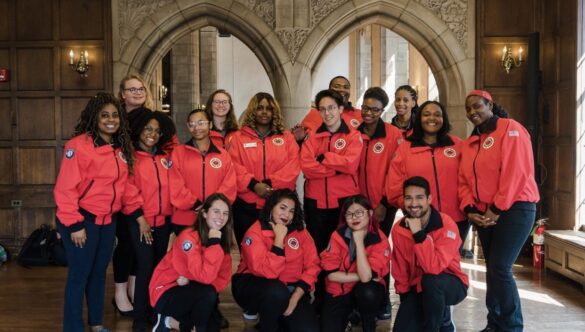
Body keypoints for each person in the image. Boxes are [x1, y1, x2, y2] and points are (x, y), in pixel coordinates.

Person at [54, 93, 143, 332]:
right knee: (79, 275)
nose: (111, 120)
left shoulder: (121, 148)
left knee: (99, 274)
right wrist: (74, 225)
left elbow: (125, 188)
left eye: (115, 115)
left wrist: (139, 214)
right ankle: (72, 327)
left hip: (108, 221)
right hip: (82, 220)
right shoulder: (78, 146)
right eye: (104, 115)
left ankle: (96, 324)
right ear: (95, 117)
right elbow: (65, 189)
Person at [459, 90, 539, 332]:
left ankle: (512, 326)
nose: (473, 112)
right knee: (492, 270)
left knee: (500, 268)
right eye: (468, 109)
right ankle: (494, 324)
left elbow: (516, 172)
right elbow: (464, 179)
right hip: (485, 213)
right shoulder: (471, 142)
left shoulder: (510, 128)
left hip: (515, 209)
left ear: (489, 104)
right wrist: (470, 208)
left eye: (477, 106)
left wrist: (496, 208)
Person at [114, 74, 178, 315]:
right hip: (122, 193)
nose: (137, 92)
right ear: (122, 93)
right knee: (126, 246)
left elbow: (170, 146)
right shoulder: (115, 118)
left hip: (150, 199)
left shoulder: (155, 119)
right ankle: (120, 293)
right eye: (131, 89)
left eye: (140, 88)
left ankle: (135, 292)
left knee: (143, 255)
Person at [231, 189, 320, 332]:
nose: (287, 214)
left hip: (291, 290)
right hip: (256, 287)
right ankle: (266, 321)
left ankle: (277, 316)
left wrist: (295, 298)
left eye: (291, 211)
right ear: (271, 207)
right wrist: (279, 239)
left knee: (308, 329)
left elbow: (313, 266)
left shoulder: (301, 233)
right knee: (276, 294)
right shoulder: (254, 232)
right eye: (282, 208)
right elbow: (267, 272)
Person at [392, 176, 468, 332]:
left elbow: (433, 268)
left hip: (451, 284)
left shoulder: (447, 224)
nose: (413, 204)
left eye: (419, 198)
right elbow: (400, 268)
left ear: (429, 199)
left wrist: (418, 234)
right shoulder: (398, 229)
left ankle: (442, 323)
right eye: (408, 198)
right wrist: (406, 300)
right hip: (418, 287)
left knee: (431, 281)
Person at [149, 193, 233, 332]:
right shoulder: (188, 237)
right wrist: (213, 243)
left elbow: (222, 278)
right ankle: (168, 317)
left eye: (225, 213)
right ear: (204, 213)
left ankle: (169, 321)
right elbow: (204, 276)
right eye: (216, 211)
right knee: (207, 295)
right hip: (166, 291)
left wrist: (192, 282)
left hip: (195, 290)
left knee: (212, 325)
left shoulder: (222, 241)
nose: (221, 217)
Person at [386, 101, 467, 242]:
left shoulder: (458, 145)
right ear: (419, 119)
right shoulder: (405, 148)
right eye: (426, 114)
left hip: (457, 218)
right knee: (422, 260)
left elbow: (468, 179)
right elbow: (394, 185)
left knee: (450, 261)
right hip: (420, 218)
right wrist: (410, 209)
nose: (432, 118)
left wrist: (467, 206)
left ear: (444, 119)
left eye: (437, 114)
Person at [228, 92, 301, 246]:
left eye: (269, 109)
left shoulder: (286, 138)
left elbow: (293, 167)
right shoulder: (238, 138)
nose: (264, 112)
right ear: (253, 111)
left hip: (279, 203)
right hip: (247, 205)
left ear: (274, 112)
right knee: (249, 250)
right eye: (260, 108)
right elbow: (233, 166)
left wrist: (268, 184)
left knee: (279, 248)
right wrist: (254, 185)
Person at [124, 112, 174, 332]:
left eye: (156, 130)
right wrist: (141, 219)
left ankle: (158, 313)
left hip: (165, 222)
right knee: (145, 268)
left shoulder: (165, 159)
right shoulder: (131, 157)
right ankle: (140, 318)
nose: (152, 134)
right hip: (140, 222)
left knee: (161, 268)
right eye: (147, 129)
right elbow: (127, 190)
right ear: (138, 131)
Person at [356, 86, 402, 320]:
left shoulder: (393, 135)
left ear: (383, 110)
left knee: (379, 252)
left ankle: (382, 300)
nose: (368, 113)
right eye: (365, 107)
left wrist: (384, 203)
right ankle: (360, 300)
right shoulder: (353, 132)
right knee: (356, 250)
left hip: (382, 204)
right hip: (356, 206)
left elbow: (396, 172)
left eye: (374, 109)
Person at [320, 195, 391, 332]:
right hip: (339, 291)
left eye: (359, 212)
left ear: (370, 214)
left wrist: (358, 242)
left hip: (366, 291)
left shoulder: (379, 240)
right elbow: (332, 276)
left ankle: (368, 323)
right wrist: (363, 276)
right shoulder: (337, 236)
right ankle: (349, 316)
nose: (354, 217)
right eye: (349, 214)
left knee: (368, 292)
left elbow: (366, 279)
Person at [169, 108, 237, 235]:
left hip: (216, 219)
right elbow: (175, 185)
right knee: (187, 254)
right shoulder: (178, 153)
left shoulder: (223, 155)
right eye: (192, 124)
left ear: (210, 124)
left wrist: (211, 206)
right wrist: (195, 204)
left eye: (201, 123)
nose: (196, 128)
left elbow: (229, 186)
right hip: (185, 219)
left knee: (214, 254)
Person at [293, 76, 363, 142]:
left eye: (346, 87)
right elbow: (302, 138)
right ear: (329, 90)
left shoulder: (361, 115)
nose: (342, 89)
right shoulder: (315, 113)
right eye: (337, 86)